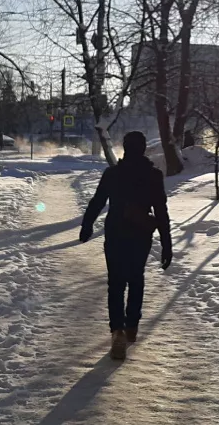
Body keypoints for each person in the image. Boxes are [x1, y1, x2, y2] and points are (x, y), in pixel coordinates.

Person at [80, 131, 173, 360]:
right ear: (142, 149)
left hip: (115, 235)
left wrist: (87, 225)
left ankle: (117, 331)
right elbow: (161, 211)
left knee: (116, 283)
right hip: (140, 235)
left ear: (124, 148)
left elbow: (98, 201)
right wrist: (167, 243)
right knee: (136, 279)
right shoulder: (153, 176)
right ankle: (131, 326)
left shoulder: (113, 174)